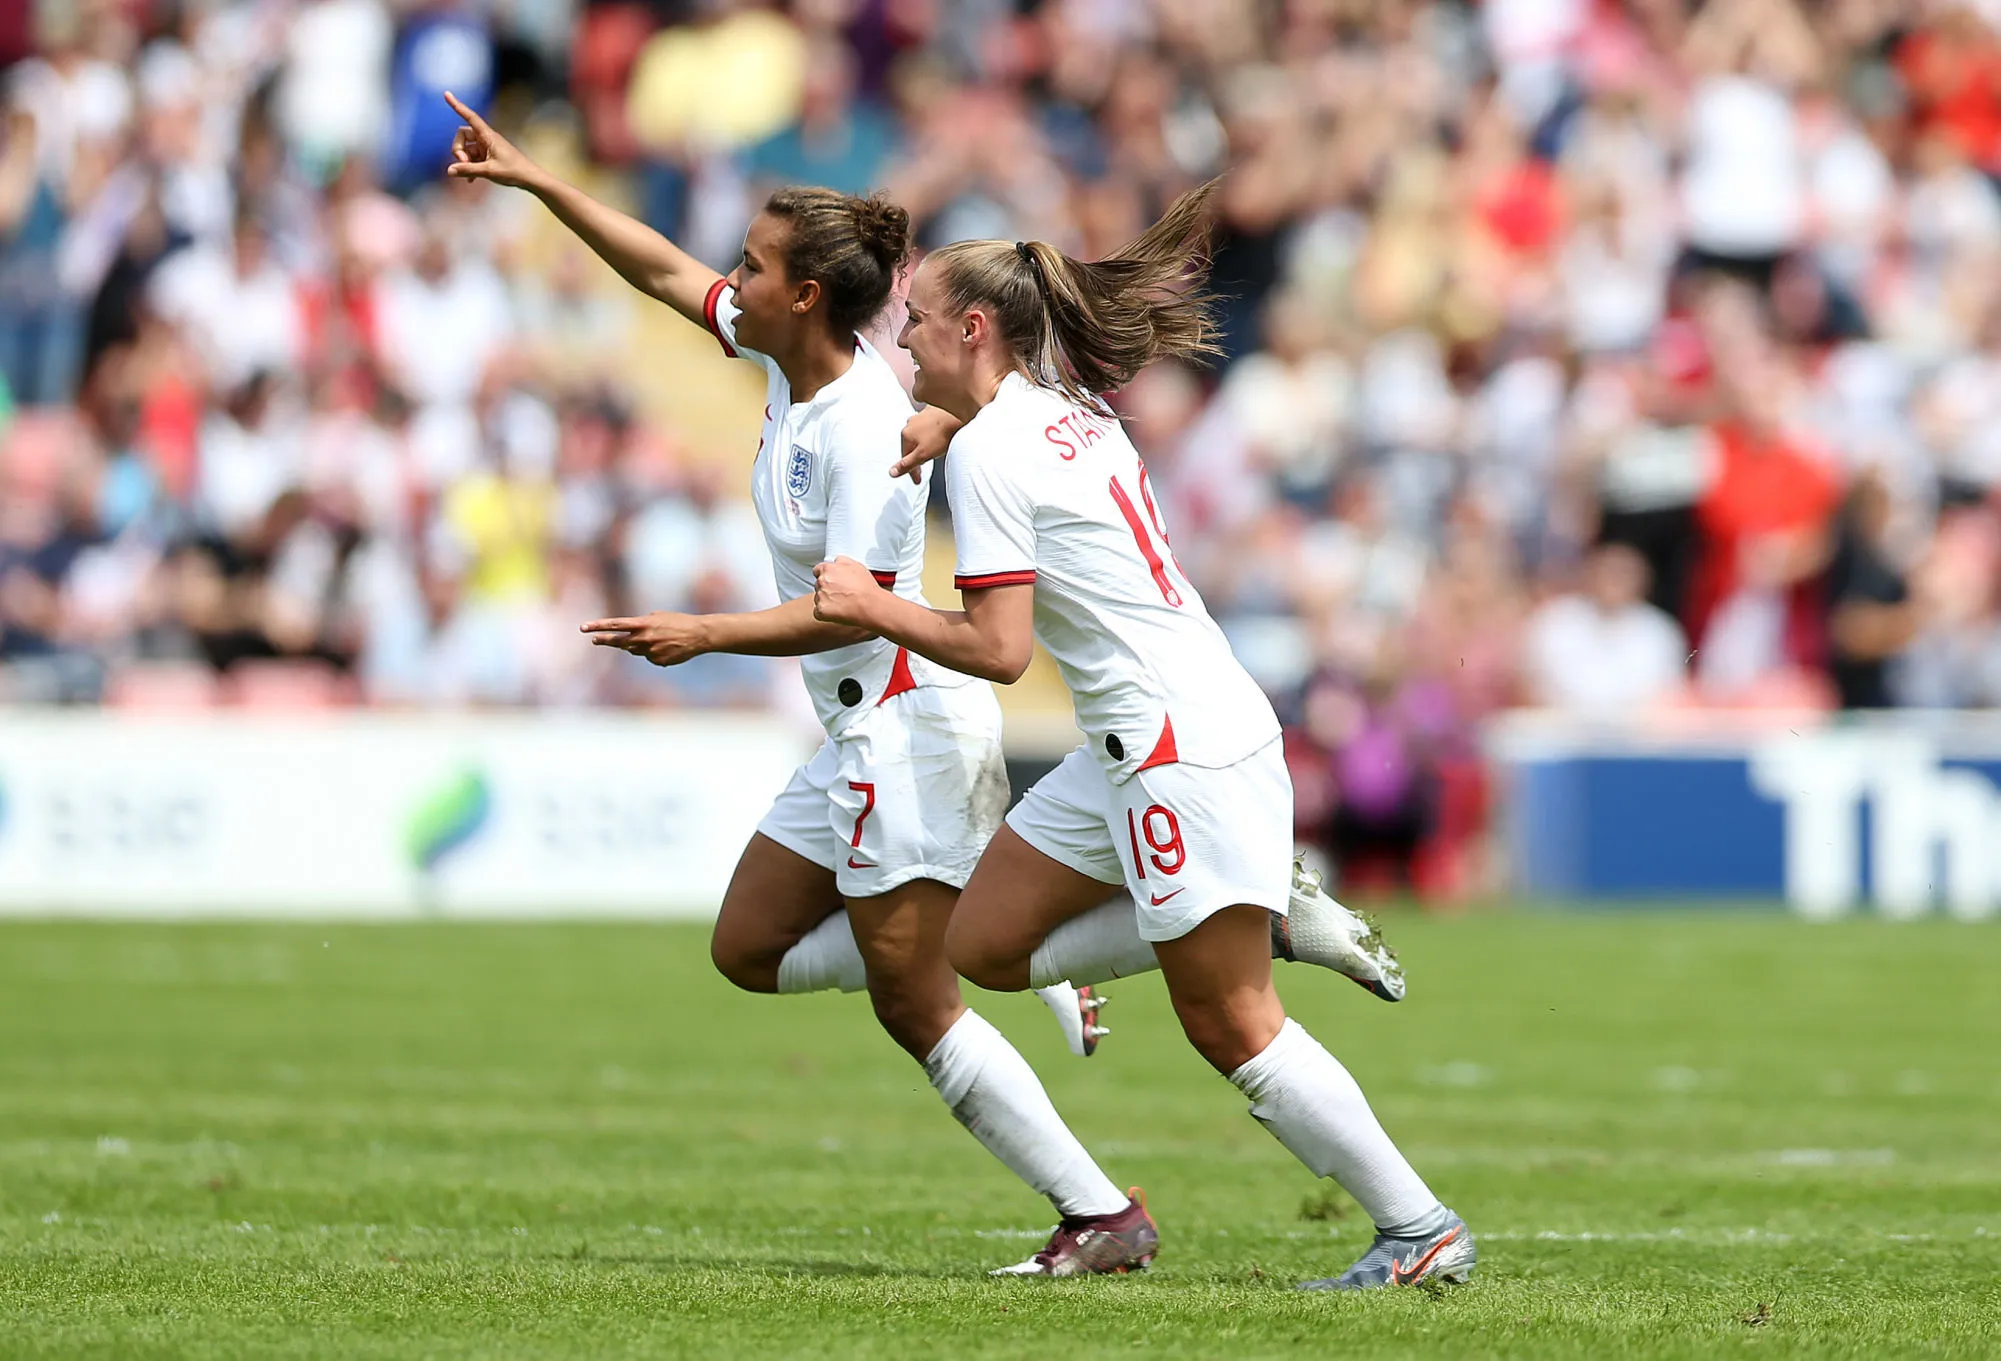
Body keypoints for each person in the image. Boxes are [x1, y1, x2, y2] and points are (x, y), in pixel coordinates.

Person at [439, 93, 1155, 1274]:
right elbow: (663, 272)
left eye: (753, 264)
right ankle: (1022, 955)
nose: (731, 276)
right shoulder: (787, 359)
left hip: (900, 726)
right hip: (849, 731)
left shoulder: (865, 424)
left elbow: (850, 609)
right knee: (748, 946)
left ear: (807, 295)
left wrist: (701, 631)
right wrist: (536, 183)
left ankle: (1098, 1213)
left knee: (914, 1004)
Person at [814, 180, 1473, 1289]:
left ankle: (1419, 1229)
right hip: (1148, 735)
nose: (903, 337)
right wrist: (951, 422)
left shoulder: (988, 452)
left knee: (1226, 1022)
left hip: (1174, 746)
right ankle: (1261, 906)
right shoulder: (1065, 407)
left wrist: (870, 600)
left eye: (917, 319)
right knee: (983, 944)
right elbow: (1013, 455)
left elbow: (999, 646)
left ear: (972, 329)